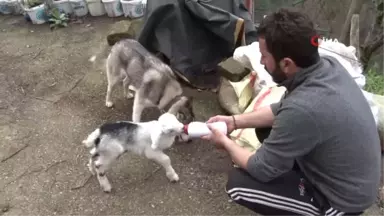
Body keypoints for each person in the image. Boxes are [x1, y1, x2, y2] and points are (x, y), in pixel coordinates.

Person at [202, 8, 381, 216]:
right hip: (352, 175)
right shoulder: (327, 67)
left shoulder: (305, 107)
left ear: (286, 63)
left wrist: (225, 142)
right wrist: (234, 122)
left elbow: (260, 168)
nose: (260, 62)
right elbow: (282, 110)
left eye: (264, 56)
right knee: (266, 131)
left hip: (341, 201)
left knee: (239, 185)